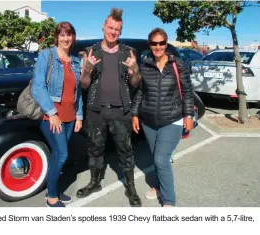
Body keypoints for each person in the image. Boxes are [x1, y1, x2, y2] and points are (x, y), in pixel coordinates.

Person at [76, 7, 143, 207]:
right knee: (95, 149)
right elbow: (85, 84)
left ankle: (130, 187)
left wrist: (135, 70)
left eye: (117, 29)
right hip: (96, 111)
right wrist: (87, 68)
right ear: (104, 27)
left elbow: (136, 83)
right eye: (110, 27)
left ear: (120, 32)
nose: (113, 32)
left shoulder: (128, 52)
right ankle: (95, 182)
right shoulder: (91, 51)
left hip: (120, 111)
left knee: (125, 150)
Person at [132, 28, 194, 207]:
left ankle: (168, 201)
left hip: (172, 119)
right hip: (148, 120)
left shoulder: (177, 65)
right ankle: (158, 186)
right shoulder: (145, 65)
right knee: (156, 156)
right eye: (154, 43)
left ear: (165, 44)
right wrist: (135, 114)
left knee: (160, 158)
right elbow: (140, 92)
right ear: (149, 45)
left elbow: (188, 92)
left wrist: (188, 114)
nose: (158, 46)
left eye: (161, 43)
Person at [31, 22, 83, 207]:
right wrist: (52, 113)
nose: (65, 38)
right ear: (57, 37)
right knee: (62, 154)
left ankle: (53, 189)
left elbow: (78, 92)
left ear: (73, 37)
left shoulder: (76, 61)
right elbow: (38, 87)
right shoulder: (47, 56)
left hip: (70, 117)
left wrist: (79, 115)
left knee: (56, 155)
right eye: (62, 35)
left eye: (69, 35)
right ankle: (51, 195)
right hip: (52, 117)